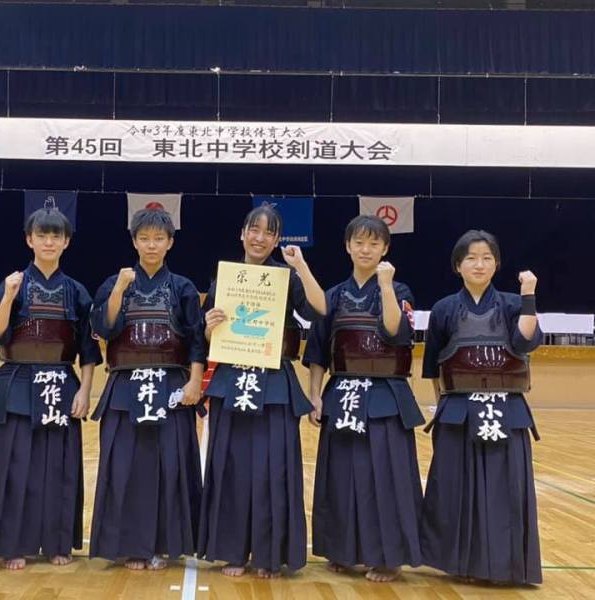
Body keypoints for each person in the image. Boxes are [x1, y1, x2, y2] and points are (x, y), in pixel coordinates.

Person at [198, 204, 327, 578]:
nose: (259, 238)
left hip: (274, 384)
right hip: (231, 380)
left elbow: (320, 310)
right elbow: (204, 338)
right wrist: (208, 326)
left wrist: (300, 266)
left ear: (277, 239)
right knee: (231, 467)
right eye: (254, 230)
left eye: (269, 232)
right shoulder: (224, 279)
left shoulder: (287, 278)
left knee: (274, 468)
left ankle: (270, 554)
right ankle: (233, 551)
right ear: (242, 234)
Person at [0, 208, 101, 570]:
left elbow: (89, 350)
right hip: (16, 386)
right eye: (41, 235)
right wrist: (7, 297)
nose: (49, 242)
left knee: (60, 469)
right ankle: (13, 544)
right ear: (29, 240)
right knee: (14, 467)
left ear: (66, 242)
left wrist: (85, 391)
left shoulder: (76, 291)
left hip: (61, 385)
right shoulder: (13, 284)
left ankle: (57, 543)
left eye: (55, 236)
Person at [303, 215, 423, 582]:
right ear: (347, 246)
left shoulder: (400, 290)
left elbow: (396, 332)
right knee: (341, 476)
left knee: (385, 477)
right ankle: (342, 551)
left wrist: (385, 286)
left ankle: (387, 557)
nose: (366, 249)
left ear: (386, 248)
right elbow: (318, 351)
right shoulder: (333, 296)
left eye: (374, 243)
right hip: (342, 394)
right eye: (359, 242)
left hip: (386, 395)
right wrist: (315, 396)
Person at [420, 229, 542, 585]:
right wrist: (443, 408)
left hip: (507, 410)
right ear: (458, 265)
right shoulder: (444, 309)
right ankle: (462, 564)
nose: (479, 264)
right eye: (471, 258)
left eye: (487, 258)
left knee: (506, 489)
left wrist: (529, 295)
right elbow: (433, 368)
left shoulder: (512, 304)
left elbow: (525, 342)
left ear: (497, 264)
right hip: (458, 411)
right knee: (457, 489)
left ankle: (505, 567)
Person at [88, 209, 205, 571]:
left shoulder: (183, 288)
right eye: (144, 238)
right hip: (125, 385)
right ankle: (129, 545)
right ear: (134, 241)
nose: (151, 245)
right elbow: (104, 329)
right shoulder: (114, 283)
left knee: (170, 464)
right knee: (126, 465)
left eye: (158, 239)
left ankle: (167, 544)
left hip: (171, 386)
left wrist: (195, 381)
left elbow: (197, 339)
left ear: (170, 243)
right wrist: (119, 290)